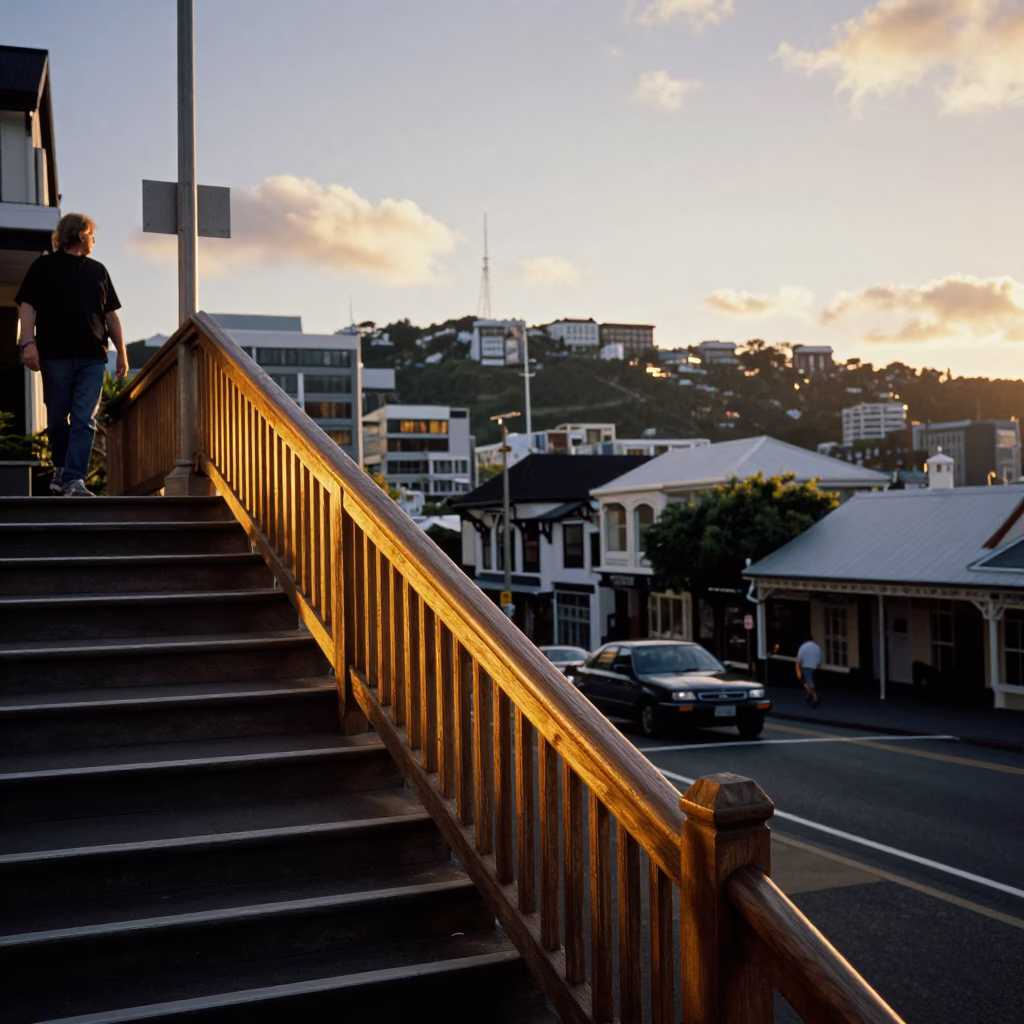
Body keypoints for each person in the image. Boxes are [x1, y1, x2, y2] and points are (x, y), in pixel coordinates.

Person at [16, 212, 128, 497]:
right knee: (56, 420)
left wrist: (122, 353)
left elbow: (111, 316)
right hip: (55, 356)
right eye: (92, 234)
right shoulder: (43, 267)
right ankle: (62, 469)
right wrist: (28, 342)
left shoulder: (98, 270)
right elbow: (27, 305)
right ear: (80, 234)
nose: (94, 240)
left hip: (93, 357)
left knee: (83, 419)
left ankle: (75, 480)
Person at [796, 633, 822, 707]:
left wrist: (798, 668)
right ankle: (808, 696)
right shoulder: (817, 647)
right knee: (811, 681)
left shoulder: (803, 647)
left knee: (807, 682)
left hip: (806, 666)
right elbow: (819, 657)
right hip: (815, 667)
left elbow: (799, 659)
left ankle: (814, 697)